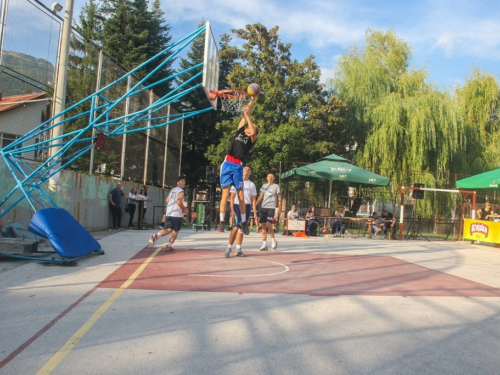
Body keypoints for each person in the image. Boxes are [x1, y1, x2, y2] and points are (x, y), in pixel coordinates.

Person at [216, 96, 258, 235]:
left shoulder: (251, 139)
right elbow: (246, 114)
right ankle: (222, 221)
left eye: (252, 127)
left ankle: (244, 222)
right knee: (225, 194)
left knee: (240, 195)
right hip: (228, 162)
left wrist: (248, 117)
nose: (249, 126)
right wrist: (252, 100)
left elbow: (252, 128)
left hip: (238, 166)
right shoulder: (240, 131)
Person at [225, 166, 258, 258]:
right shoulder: (237, 182)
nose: (246, 171)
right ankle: (228, 247)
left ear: (250, 173)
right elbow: (231, 197)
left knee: (242, 228)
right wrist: (232, 210)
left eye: (248, 169)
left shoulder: (251, 184)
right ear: (242, 171)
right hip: (237, 206)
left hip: (247, 207)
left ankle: (238, 249)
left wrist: (254, 213)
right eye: (245, 169)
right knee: (235, 226)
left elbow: (253, 200)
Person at [149, 176, 188, 251]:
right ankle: (168, 245)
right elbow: (179, 201)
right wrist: (184, 209)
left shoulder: (172, 190)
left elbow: (167, 200)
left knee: (169, 229)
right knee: (175, 231)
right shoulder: (180, 191)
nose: (184, 182)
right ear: (178, 182)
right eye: (182, 181)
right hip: (176, 214)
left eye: (184, 181)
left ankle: (156, 235)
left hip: (169, 213)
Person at [256, 173, 282, 251]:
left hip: (271, 207)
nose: (270, 177)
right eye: (269, 176)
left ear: (274, 178)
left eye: (272, 176)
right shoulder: (264, 186)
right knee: (263, 225)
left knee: (268, 224)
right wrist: (256, 202)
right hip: (264, 207)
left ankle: (273, 240)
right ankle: (264, 244)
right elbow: (261, 196)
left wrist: (278, 210)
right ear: (267, 178)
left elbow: (280, 198)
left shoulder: (276, 186)